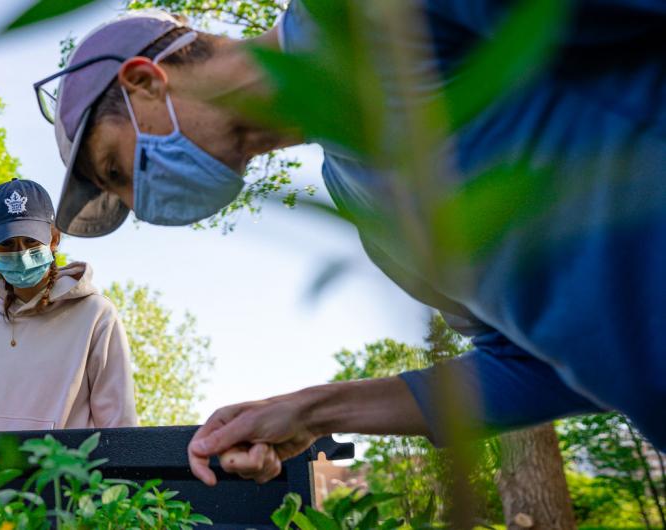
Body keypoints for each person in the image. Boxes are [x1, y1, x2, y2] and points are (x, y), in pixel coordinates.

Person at [34, 2, 666, 485]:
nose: (143, 202)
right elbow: (539, 366)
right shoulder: (364, 209)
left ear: (146, 80)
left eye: (120, 169)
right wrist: (312, 412)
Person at [0, 178, 139, 432]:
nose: (21, 253)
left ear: (54, 238)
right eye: (8, 244)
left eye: (30, 241)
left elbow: (118, 422)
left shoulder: (96, 315)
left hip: (64, 468)